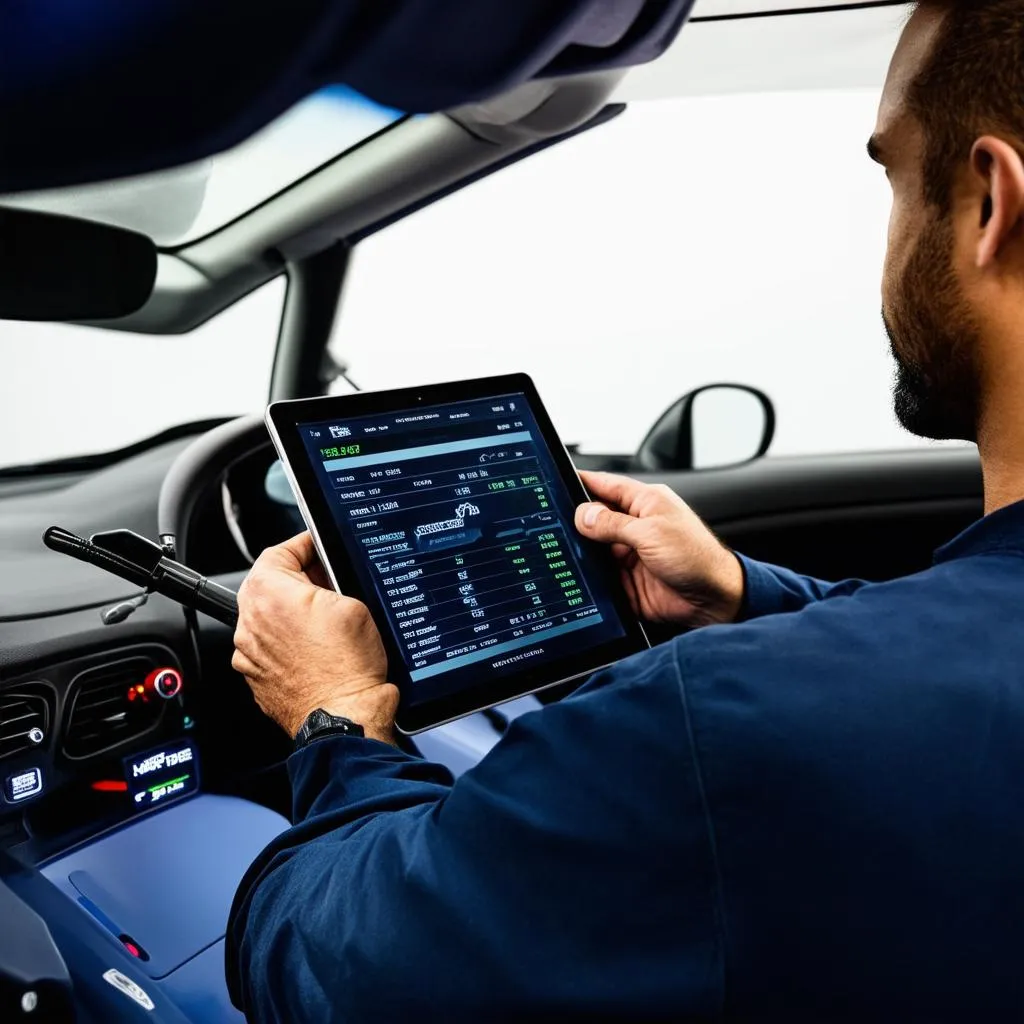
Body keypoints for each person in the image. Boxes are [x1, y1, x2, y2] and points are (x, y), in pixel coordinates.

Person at [226, 2, 1024, 1020]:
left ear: (989, 202)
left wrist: (332, 717)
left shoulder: (713, 734)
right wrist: (739, 593)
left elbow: (340, 968)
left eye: (894, 176)